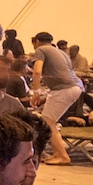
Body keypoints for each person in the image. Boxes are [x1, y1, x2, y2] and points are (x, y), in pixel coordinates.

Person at [28, 31, 82, 165]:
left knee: (47, 123)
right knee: (49, 121)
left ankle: (63, 156)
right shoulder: (61, 52)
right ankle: (57, 153)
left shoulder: (40, 50)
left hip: (64, 89)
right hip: (75, 87)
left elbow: (37, 71)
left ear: (37, 42)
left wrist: (36, 92)